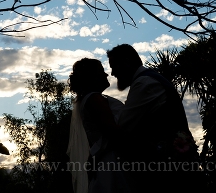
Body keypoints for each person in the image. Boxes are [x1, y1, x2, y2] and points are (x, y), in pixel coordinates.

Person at [107, 44, 198, 193]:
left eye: (114, 66)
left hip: (168, 169)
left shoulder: (144, 83)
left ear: (127, 62)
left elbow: (124, 125)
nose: (113, 73)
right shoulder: (150, 78)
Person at [67, 58, 131, 193]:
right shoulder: (94, 98)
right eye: (101, 71)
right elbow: (112, 131)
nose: (106, 74)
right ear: (93, 76)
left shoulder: (90, 99)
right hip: (112, 162)